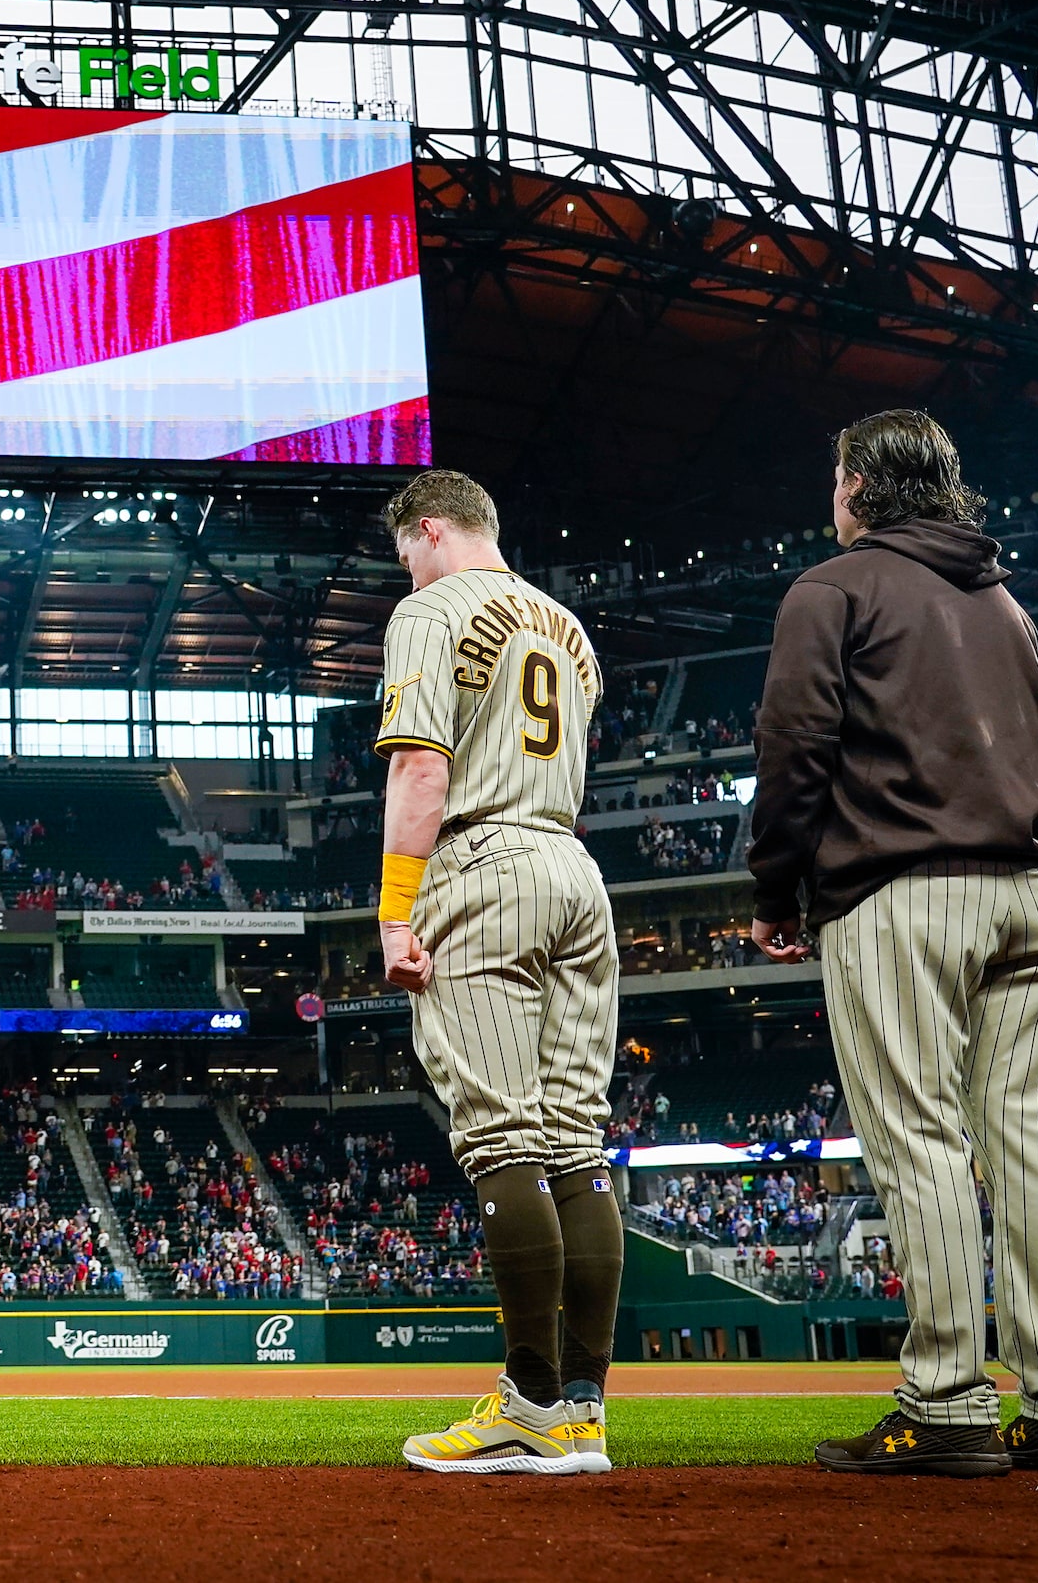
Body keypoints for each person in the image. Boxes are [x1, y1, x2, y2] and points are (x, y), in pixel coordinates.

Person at [748, 410, 1038, 1476]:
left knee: (923, 1146)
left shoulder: (834, 587)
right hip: (1037, 893)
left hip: (906, 889)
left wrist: (776, 888)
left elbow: (794, 744)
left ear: (857, 484)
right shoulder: (1010, 603)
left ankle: (947, 1401)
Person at [367, 470, 621, 1477]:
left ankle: (527, 1403)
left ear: (427, 529)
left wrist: (394, 913)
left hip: (483, 862)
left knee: (504, 1138)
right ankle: (584, 1414)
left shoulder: (429, 607)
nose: (408, 567)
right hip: (572, 867)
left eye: (406, 550)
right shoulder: (568, 625)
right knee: (573, 1142)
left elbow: (421, 767)